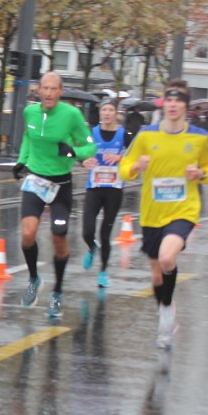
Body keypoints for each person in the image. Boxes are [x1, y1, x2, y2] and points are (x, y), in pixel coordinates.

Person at [118, 79, 208, 349]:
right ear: (164, 104)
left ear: (185, 106)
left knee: (166, 258)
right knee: (157, 274)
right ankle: (167, 307)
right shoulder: (147, 135)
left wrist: (201, 173)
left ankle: (165, 312)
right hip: (151, 212)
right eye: (169, 100)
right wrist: (136, 165)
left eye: (179, 101)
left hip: (183, 210)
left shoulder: (199, 137)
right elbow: (124, 169)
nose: (173, 105)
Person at [12, 71, 96, 318]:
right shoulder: (30, 112)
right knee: (28, 233)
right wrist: (21, 160)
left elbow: (90, 146)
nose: (48, 93)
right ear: (38, 90)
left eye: (53, 89)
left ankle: (57, 291)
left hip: (61, 184)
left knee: (59, 236)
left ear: (61, 92)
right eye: (44, 88)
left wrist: (72, 152)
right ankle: (34, 279)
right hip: (36, 180)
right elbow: (28, 137)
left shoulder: (72, 116)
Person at [81, 98, 131, 288]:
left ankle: (102, 272)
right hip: (94, 187)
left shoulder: (123, 134)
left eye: (110, 110)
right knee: (87, 231)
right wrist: (84, 160)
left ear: (116, 113)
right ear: (100, 113)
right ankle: (92, 247)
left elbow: (134, 154)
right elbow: (81, 151)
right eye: (104, 110)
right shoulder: (92, 133)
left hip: (114, 190)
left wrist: (119, 157)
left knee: (105, 233)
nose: (107, 113)